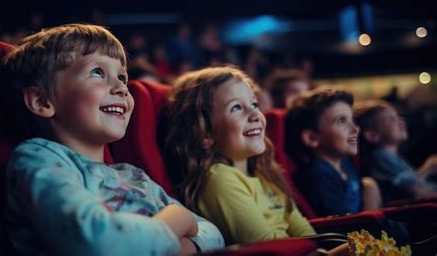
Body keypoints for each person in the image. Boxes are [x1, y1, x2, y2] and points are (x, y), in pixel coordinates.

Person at [2, 24, 224, 256]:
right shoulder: (38, 157)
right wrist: (177, 218)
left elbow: (213, 233)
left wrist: (170, 245)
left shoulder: (132, 176)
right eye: (97, 72)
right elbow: (98, 242)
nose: (121, 88)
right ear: (42, 101)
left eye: (122, 77)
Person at [161, 66, 317, 246]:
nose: (255, 115)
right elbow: (269, 248)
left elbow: (306, 233)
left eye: (254, 104)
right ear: (205, 133)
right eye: (236, 107)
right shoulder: (220, 178)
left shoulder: (263, 172)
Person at [285, 89, 382, 217]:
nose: (355, 129)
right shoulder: (317, 176)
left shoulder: (345, 164)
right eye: (341, 121)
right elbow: (342, 226)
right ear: (312, 138)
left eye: (352, 119)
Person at [354, 100, 437, 203]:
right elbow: (418, 191)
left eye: (398, 117)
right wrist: (428, 169)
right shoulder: (380, 157)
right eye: (391, 119)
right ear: (372, 135)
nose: (401, 121)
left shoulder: (393, 157)